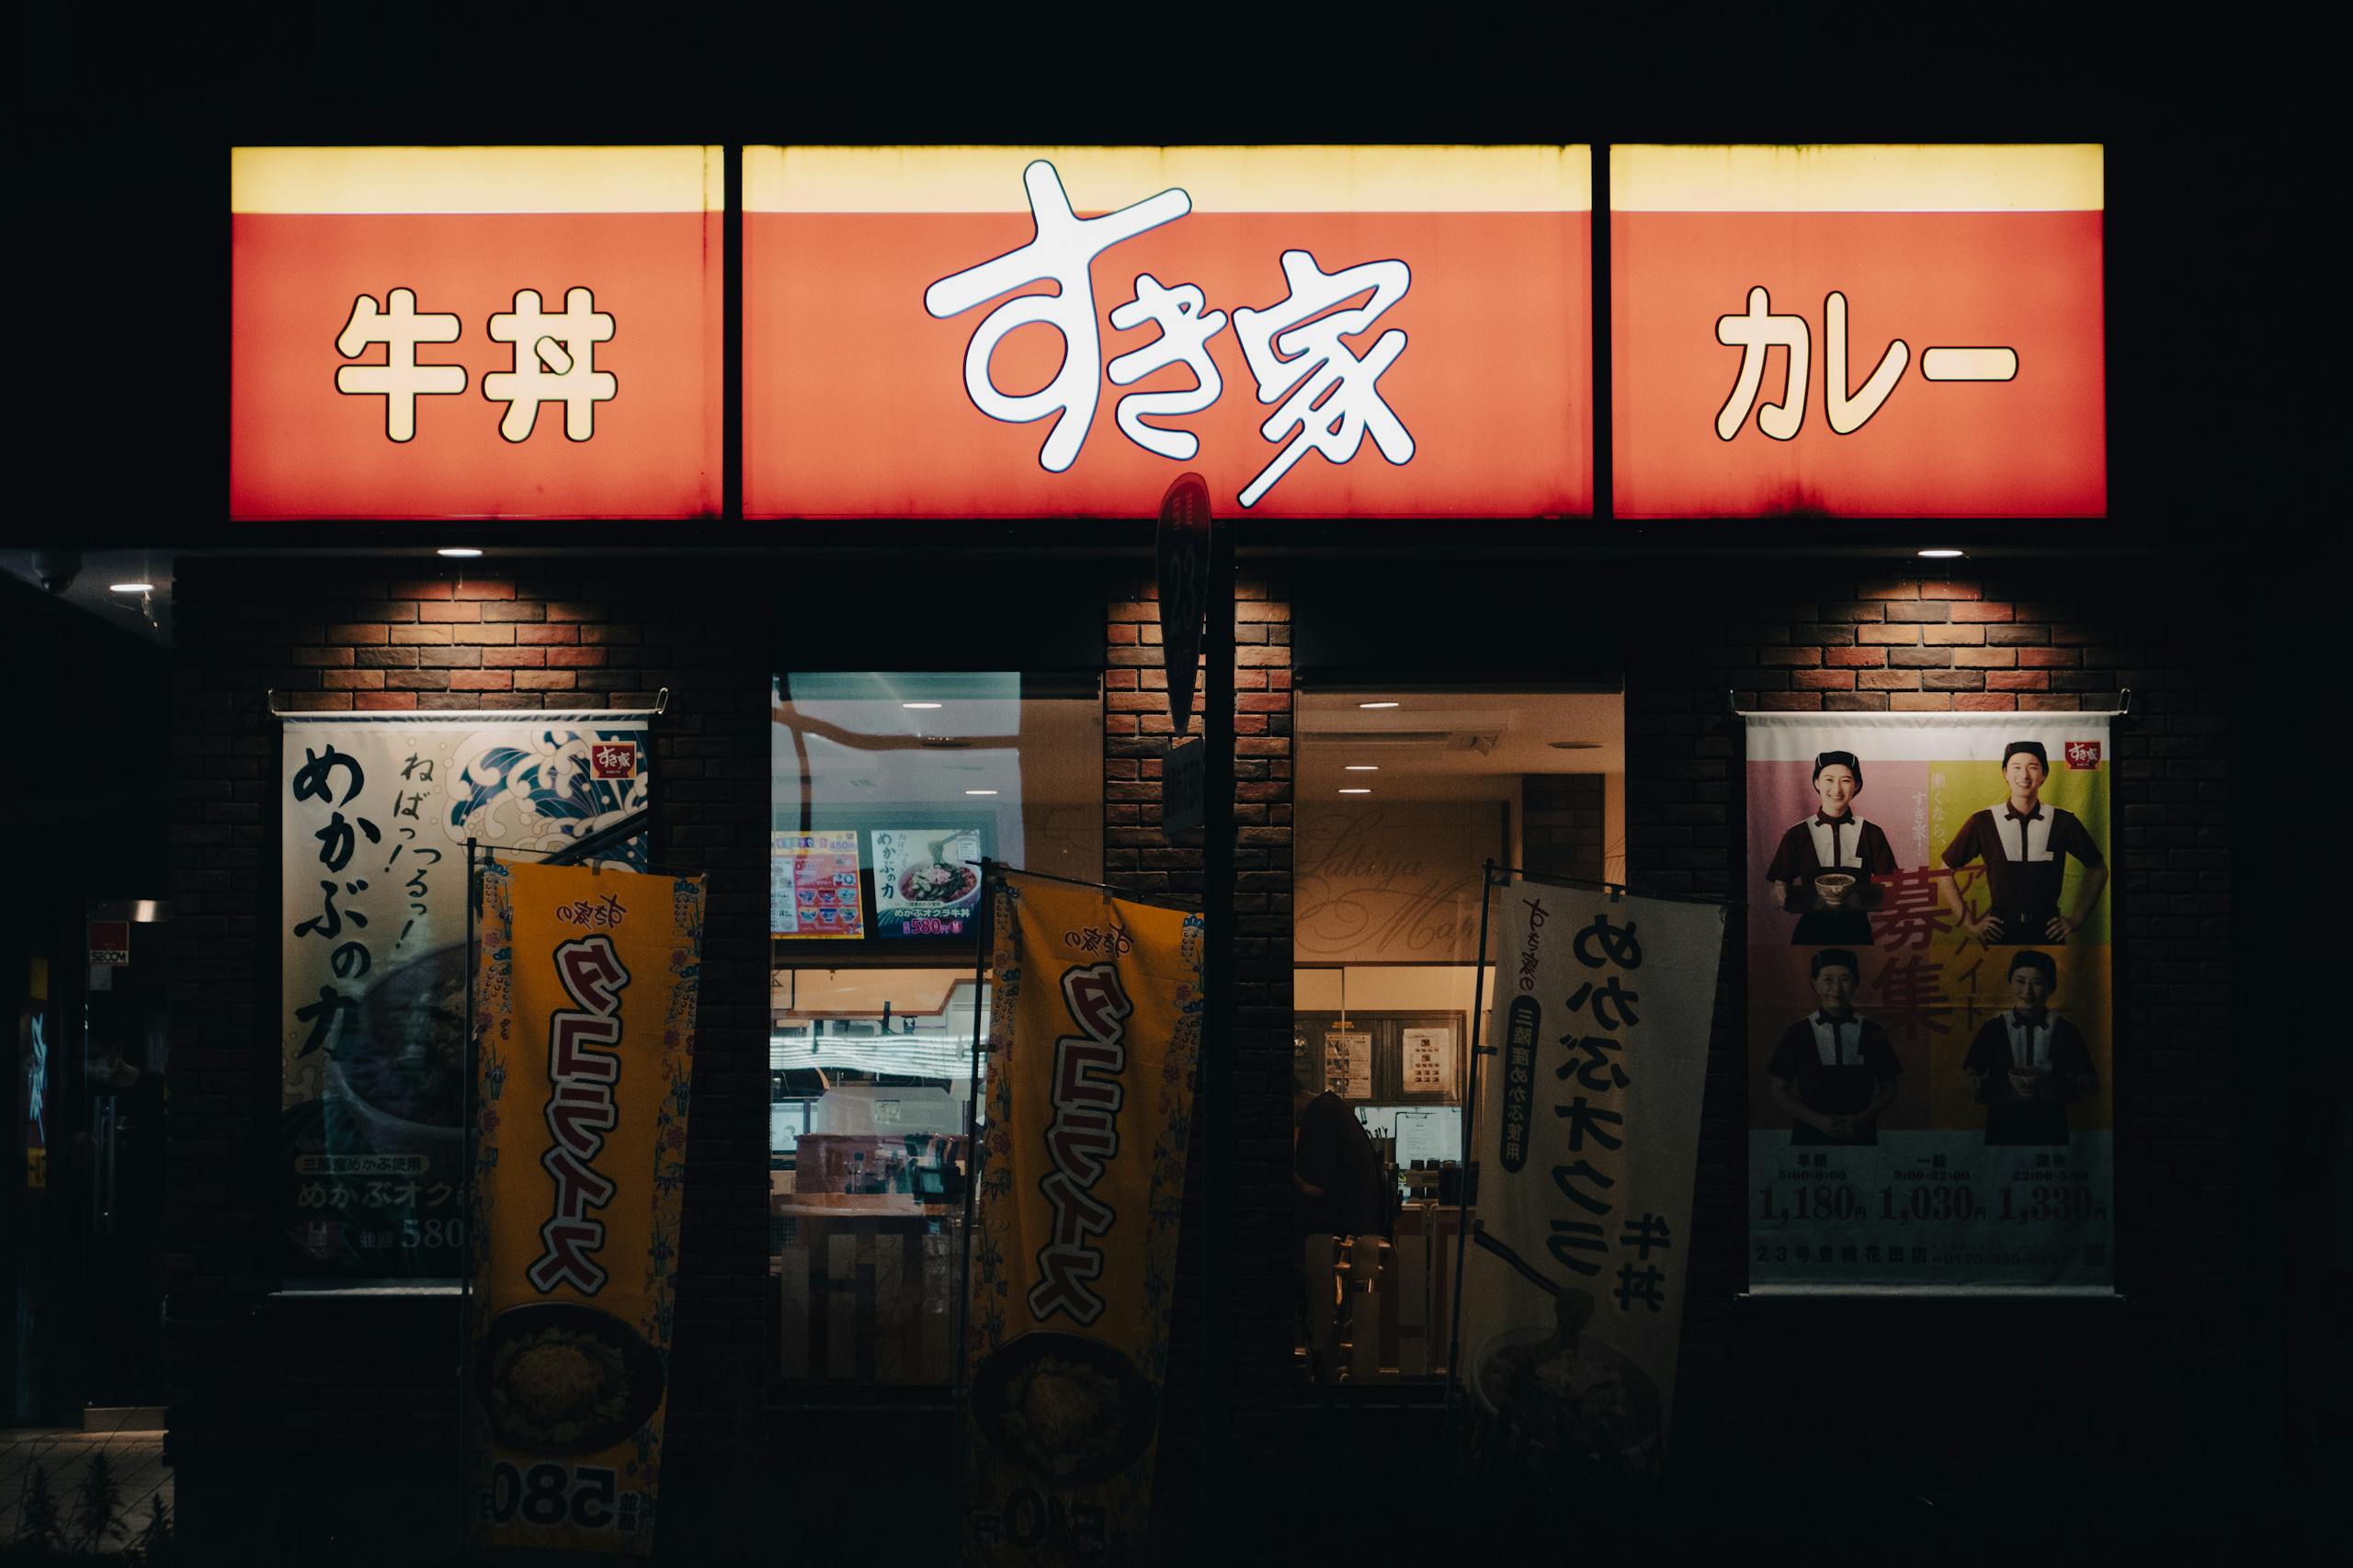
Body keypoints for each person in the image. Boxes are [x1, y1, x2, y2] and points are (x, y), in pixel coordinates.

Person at [1938, 740, 2108, 944]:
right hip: (1999, 932)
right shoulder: (1983, 821)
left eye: (2033, 767)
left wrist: (2077, 920)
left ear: (2044, 775)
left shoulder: (2064, 821)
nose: (2025, 776)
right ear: (2005, 773)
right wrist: (1969, 923)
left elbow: (2098, 869)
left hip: (2048, 932)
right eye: (2016, 767)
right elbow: (1944, 871)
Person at [1766, 949, 1901, 1144]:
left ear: (1856, 984)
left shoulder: (1872, 1031)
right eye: (1827, 979)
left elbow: (1890, 1088)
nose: (1836, 988)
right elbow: (1779, 1088)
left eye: (1845, 979)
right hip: (1810, 1132)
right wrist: (1817, 1121)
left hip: (1860, 1131)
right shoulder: (1798, 1032)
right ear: (1815, 984)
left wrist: (1860, 1119)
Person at [1961, 949, 2097, 1145]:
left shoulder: (2065, 1030)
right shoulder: (1994, 1027)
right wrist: (1971, 1081)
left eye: (2038, 982)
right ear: (2010, 983)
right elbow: (1970, 1072)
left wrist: (2084, 1083)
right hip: (2002, 1123)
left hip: (2051, 1124)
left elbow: (2090, 1081)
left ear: (2051, 987)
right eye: (2020, 981)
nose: (2027, 991)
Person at [1765, 749, 1898, 944]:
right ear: (1816, 782)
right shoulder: (1798, 834)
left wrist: (1884, 894)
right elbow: (1779, 884)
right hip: (1810, 932)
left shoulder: (1872, 833)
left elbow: (1890, 883)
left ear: (1857, 785)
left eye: (1845, 780)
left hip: (1857, 931)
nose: (1836, 789)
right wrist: (1779, 892)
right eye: (1828, 779)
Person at [1293, 1064, 1389, 1240]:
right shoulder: (1333, 1106)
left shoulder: (1320, 1113)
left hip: (1339, 1238)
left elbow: (1312, 1188)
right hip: (1358, 1231)